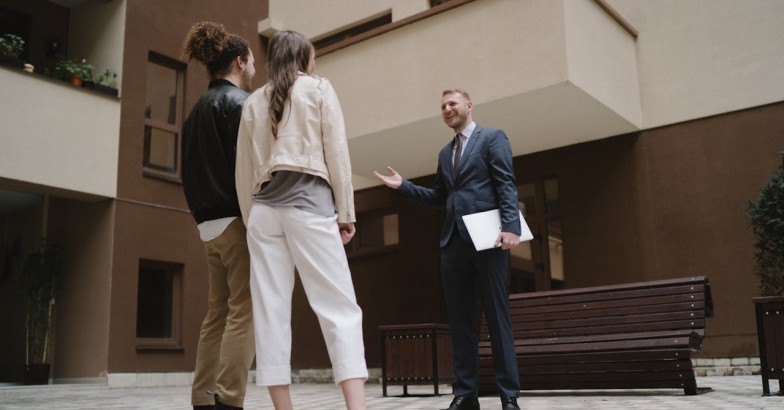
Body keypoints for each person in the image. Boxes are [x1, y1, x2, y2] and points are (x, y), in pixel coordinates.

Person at [235, 30, 368, 410]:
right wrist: (346, 212)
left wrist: (251, 222)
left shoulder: (253, 102)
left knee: (271, 312)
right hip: (309, 206)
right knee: (338, 307)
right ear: (303, 57)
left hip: (262, 212)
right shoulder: (319, 88)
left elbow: (243, 173)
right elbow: (336, 153)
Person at [374, 89, 522, 410]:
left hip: (488, 240)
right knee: (460, 323)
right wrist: (404, 187)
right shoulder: (445, 153)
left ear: (468, 105)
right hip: (453, 245)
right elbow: (441, 197)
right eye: (442, 106)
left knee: (498, 319)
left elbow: (505, 183)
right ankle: (466, 394)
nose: (447, 109)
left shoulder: (492, 138)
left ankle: (508, 395)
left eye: (452, 103)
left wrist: (512, 226)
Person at [181, 21, 257, 410]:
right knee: (245, 311)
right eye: (253, 63)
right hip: (235, 221)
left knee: (217, 313)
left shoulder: (194, 112)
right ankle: (229, 400)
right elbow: (251, 167)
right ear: (240, 62)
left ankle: (202, 396)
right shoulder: (240, 105)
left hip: (206, 226)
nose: (255, 70)